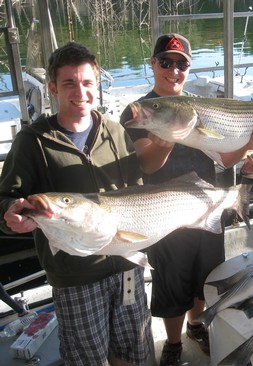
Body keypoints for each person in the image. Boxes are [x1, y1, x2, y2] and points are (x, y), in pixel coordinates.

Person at [119, 33, 253, 366]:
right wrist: (169, 135)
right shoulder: (141, 110)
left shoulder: (199, 106)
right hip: (163, 211)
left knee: (205, 275)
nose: (174, 70)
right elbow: (147, 163)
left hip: (206, 206)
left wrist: (249, 144)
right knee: (170, 279)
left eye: (182, 64)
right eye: (166, 62)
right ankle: (173, 342)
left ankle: (194, 325)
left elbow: (226, 159)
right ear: (153, 64)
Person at [0, 42, 152, 365]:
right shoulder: (32, 142)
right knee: (87, 359)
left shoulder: (115, 132)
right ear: (52, 88)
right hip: (76, 279)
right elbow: (5, 199)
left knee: (135, 353)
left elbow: (136, 193)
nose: (80, 92)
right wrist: (8, 213)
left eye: (86, 82)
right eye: (69, 83)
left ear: (96, 85)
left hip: (126, 266)